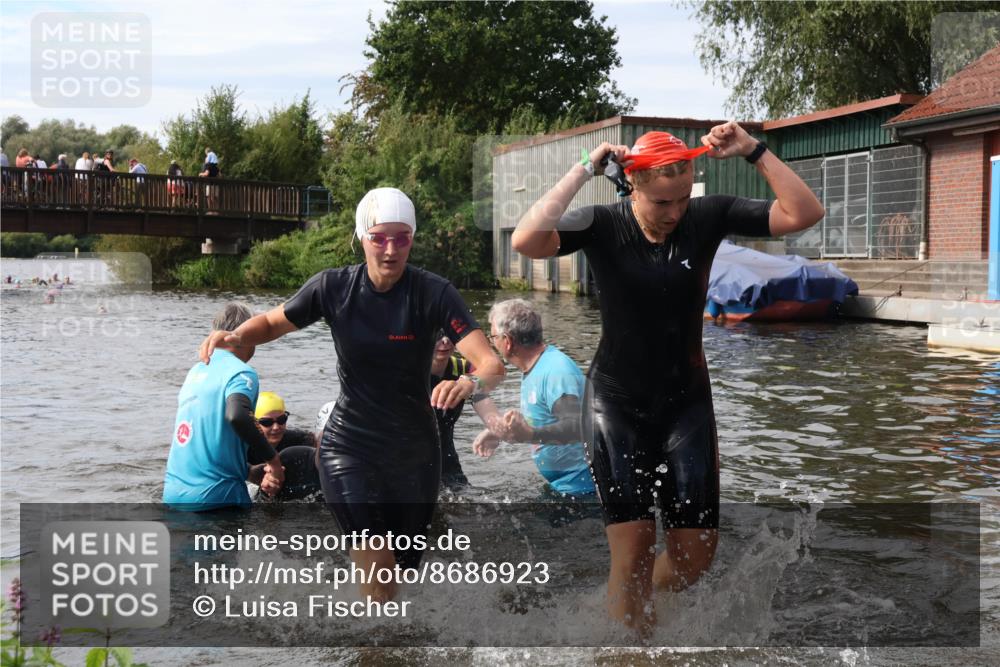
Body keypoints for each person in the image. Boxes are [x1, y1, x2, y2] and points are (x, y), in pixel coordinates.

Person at [512, 122, 825, 633]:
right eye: (662, 202)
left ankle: (623, 605)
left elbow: (804, 213)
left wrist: (753, 151)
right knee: (634, 549)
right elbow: (527, 239)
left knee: (694, 558)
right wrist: (583, 170)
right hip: (616, 406)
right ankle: (627, 641)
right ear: (632, 187)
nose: (675, 212)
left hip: (686, 405)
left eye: (682, 198)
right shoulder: (601, 224)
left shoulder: (708, 215)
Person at [198, 187, 505, 602]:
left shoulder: (433, 293)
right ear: (362, 237)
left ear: (412, 238)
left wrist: (470, 383)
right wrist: (236, 336)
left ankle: (383, 628)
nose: (391, 249)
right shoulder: (334, 287)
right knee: (376, 559)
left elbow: (491, 365)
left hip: (414, 451)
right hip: (349, 445)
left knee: (405, 573)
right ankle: (373, 634)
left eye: (402, 238)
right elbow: (271, 323)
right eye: (379, 238)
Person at [164, 302, 285, 510]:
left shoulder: (196, 371)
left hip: (173, 496)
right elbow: (238, 415)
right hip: (217, 499)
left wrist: (248, 472)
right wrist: (273, 462)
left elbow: (206, 439)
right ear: (248, 333)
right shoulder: (241, 372)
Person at [471, 299, 594, 497]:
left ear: (508, 341)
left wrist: (529, 435)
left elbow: (575, 426)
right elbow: (546, 417)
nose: (491, 343)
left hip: (584, 492)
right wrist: (503, 430)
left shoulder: (556, 371)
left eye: (492, 337)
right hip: (565, 486)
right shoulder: (537, 366)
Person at [247, 391, 322, 500]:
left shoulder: (300, 439)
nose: (276, 427)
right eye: (267, 422)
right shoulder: (242, 447)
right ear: (254, 423)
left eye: (281, 420)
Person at [430, 334, 472, 490]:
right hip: (407, 456)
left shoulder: (464, 369)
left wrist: (494, 426)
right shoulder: (407, 369)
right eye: (438, 334)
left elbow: (495, 372)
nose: (445, 340)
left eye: (449, 334)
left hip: (446, 455)